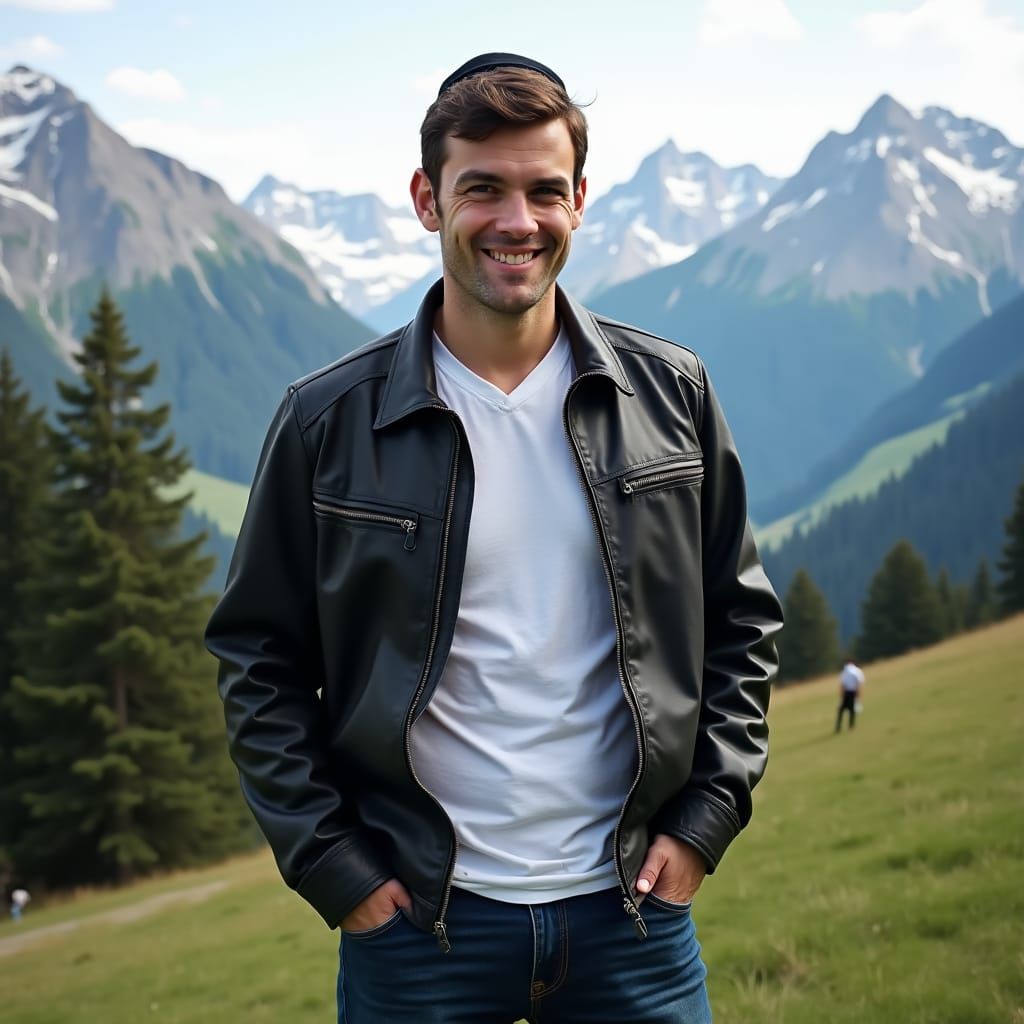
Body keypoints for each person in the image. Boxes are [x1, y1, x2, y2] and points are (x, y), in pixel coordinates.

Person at [206, 52, 783, 1023]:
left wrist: (705, 817)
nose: (517, 221)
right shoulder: (323, 423)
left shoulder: (670, 395)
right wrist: (335, 868)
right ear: (427, 199)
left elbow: (741, 620)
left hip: (631, 910)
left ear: (580, 201)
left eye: (543, 191)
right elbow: (255, 657)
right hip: (421, 926)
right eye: (483, 189)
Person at [835, 659, 865, 732]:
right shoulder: (857, 671)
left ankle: (838, 727)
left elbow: (842, 684)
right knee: (852, 710)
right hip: (853, 692)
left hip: (846, 693)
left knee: (841, 710)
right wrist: (858, 693)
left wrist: (842, 694)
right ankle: (851, 726)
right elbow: (859, 682)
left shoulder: (844, 672)